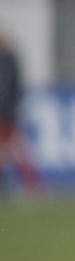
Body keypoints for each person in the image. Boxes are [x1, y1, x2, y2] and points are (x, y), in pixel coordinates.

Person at [0, 31, 41, 197]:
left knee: (15, 151)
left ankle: (32, 186)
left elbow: (12, 90)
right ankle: (32, 185)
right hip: (7, 113)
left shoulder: (10, 61)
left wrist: (7, 111)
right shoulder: (7, 60)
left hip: (7, 114)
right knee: (14, 151)